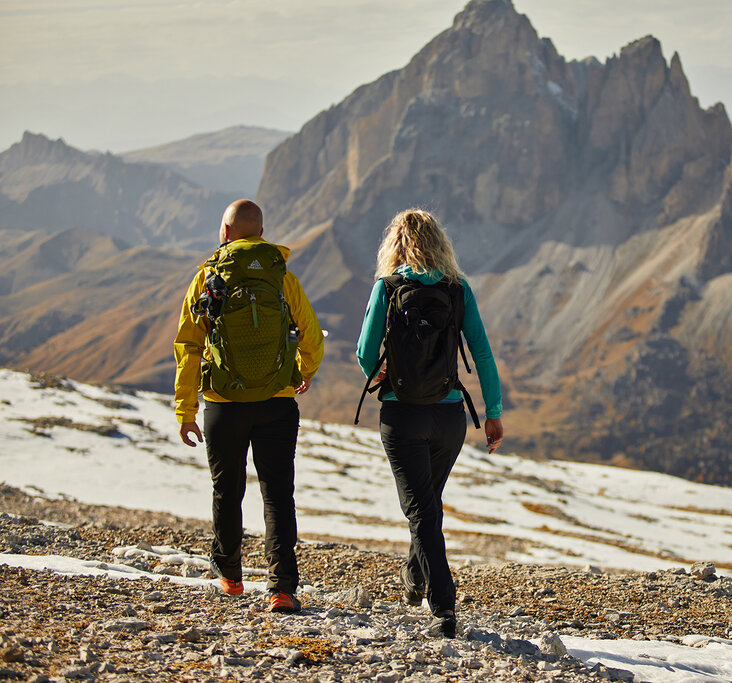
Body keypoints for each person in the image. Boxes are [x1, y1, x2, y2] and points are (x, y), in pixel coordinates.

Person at [356, 208, 503, 638]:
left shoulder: (387, 287)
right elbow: (483, 354)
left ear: (395, 245)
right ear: (441, 244)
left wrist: (381, 374)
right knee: (427, 505)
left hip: (402, 414)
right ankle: (414, 574)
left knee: (422, 510)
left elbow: (366, 352)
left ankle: (443, 606)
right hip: (449, 416)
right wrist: (492, 413)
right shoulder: (457, 290)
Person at [173, 199, 324, 614]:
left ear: (225, 232)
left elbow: (188, 345)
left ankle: (231, 576)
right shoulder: (281, 276)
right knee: (277, 494)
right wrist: (301, 371)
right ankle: (281, 588)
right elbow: (311, 334)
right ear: (260, 232)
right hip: (277, 401)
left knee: (228, 489)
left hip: (224, 403)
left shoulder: (207, 277)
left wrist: (185, 410)